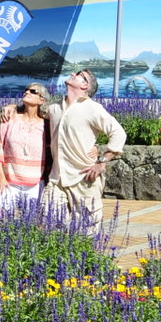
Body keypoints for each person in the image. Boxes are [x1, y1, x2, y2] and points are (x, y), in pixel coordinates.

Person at [46, 69, 125, 224]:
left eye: (79, 75)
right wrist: (13, 108)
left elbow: (118, 133)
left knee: (87, 233)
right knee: (49, 228)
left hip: (84, 178)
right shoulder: (54, 107)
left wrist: (102, 161)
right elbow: (32, 113)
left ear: (85, 85)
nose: (73, 74)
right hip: (56, 179)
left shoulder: (93, 108)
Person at [0, 84, 52, 211]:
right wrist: (1, 178)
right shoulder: (9, 118)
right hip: (9, 181)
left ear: (42, 100)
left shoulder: (47, 125)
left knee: (32, 223)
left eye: (33, 91)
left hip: (35, 183)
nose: (27, 92)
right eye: (26, 90)